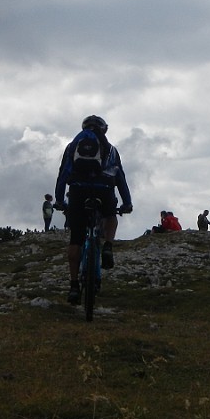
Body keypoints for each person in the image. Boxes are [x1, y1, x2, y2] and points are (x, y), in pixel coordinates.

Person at [54, 115, 132, 305]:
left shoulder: (73, 146)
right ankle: (108, 246)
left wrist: (59, 200)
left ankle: (74, 286)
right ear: (104, 129)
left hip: (78, 191)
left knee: (76, 240)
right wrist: (127, 203)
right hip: (104, 190)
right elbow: (119, 176)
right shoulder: (111, 149)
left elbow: (63, 173)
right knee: (110, 215)